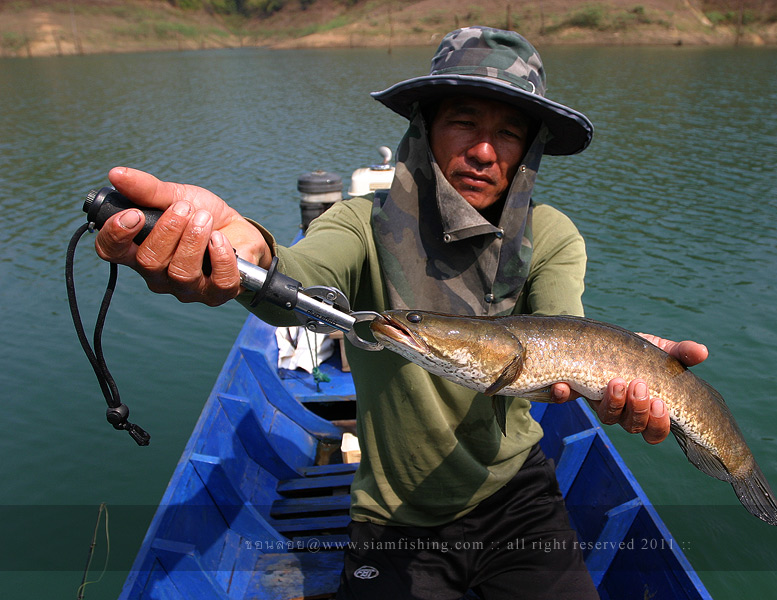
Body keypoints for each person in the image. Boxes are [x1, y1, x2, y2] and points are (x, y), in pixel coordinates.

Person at [95, 27, 707, 600]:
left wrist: (626, 371)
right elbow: (291, 278)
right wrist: (241, 251)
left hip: (518, 494)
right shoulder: (361, 225)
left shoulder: (550, 235)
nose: (485, 150)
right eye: (463, 121)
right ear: (425, 126)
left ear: (531, 149)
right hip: (395, 515)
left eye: (510, 132)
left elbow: (563, 343)